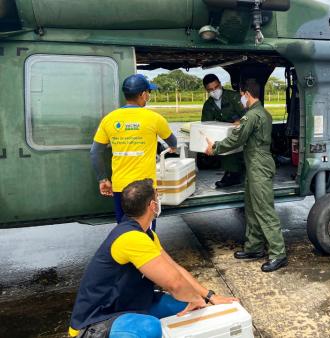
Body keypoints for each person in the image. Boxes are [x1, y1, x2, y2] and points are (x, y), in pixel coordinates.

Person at [69, 179, 238, 338]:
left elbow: (175, 269)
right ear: (152, 205)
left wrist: (209, 296)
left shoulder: (146, 234)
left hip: (130, 304)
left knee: (187, 307)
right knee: (149, 327)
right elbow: (175, 284)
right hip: (96, 320)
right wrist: (195, 299)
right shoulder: (130, 238)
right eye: (157, 196)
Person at [205, 79, 287, 273]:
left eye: (242, 95)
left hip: (259, 165)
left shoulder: (252, 116)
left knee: (264, 210)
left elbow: (237, 138)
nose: (241, 98)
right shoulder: (262, 113)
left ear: (247, 95)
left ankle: (278, 253)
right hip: (254, 165)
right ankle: (254, 247)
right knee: (251, 208)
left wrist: (214, 148)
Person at [90, 74, 177, 230]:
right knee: (146, 232)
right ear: (143, 94)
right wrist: (172, 147)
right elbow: (173, 141)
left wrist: (103, 179)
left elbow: (95, 152)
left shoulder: (109, 119)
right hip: (146, 188)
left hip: (120, 187)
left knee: (125, 230)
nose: (148, 96)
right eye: (148, 92)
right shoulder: (154, 118)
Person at [202, 74, 245, 188]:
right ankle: (232, 173)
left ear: (220, 84)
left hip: (242, 132)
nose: (214, 91)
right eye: (210, 90)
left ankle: (236, 173)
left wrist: (240, 121)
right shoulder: (208, 105)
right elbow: (205, 124)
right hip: (224, 136)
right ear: (206, 90)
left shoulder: (234, 97)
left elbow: (248, 114)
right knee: (222, 147)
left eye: (216, 87)